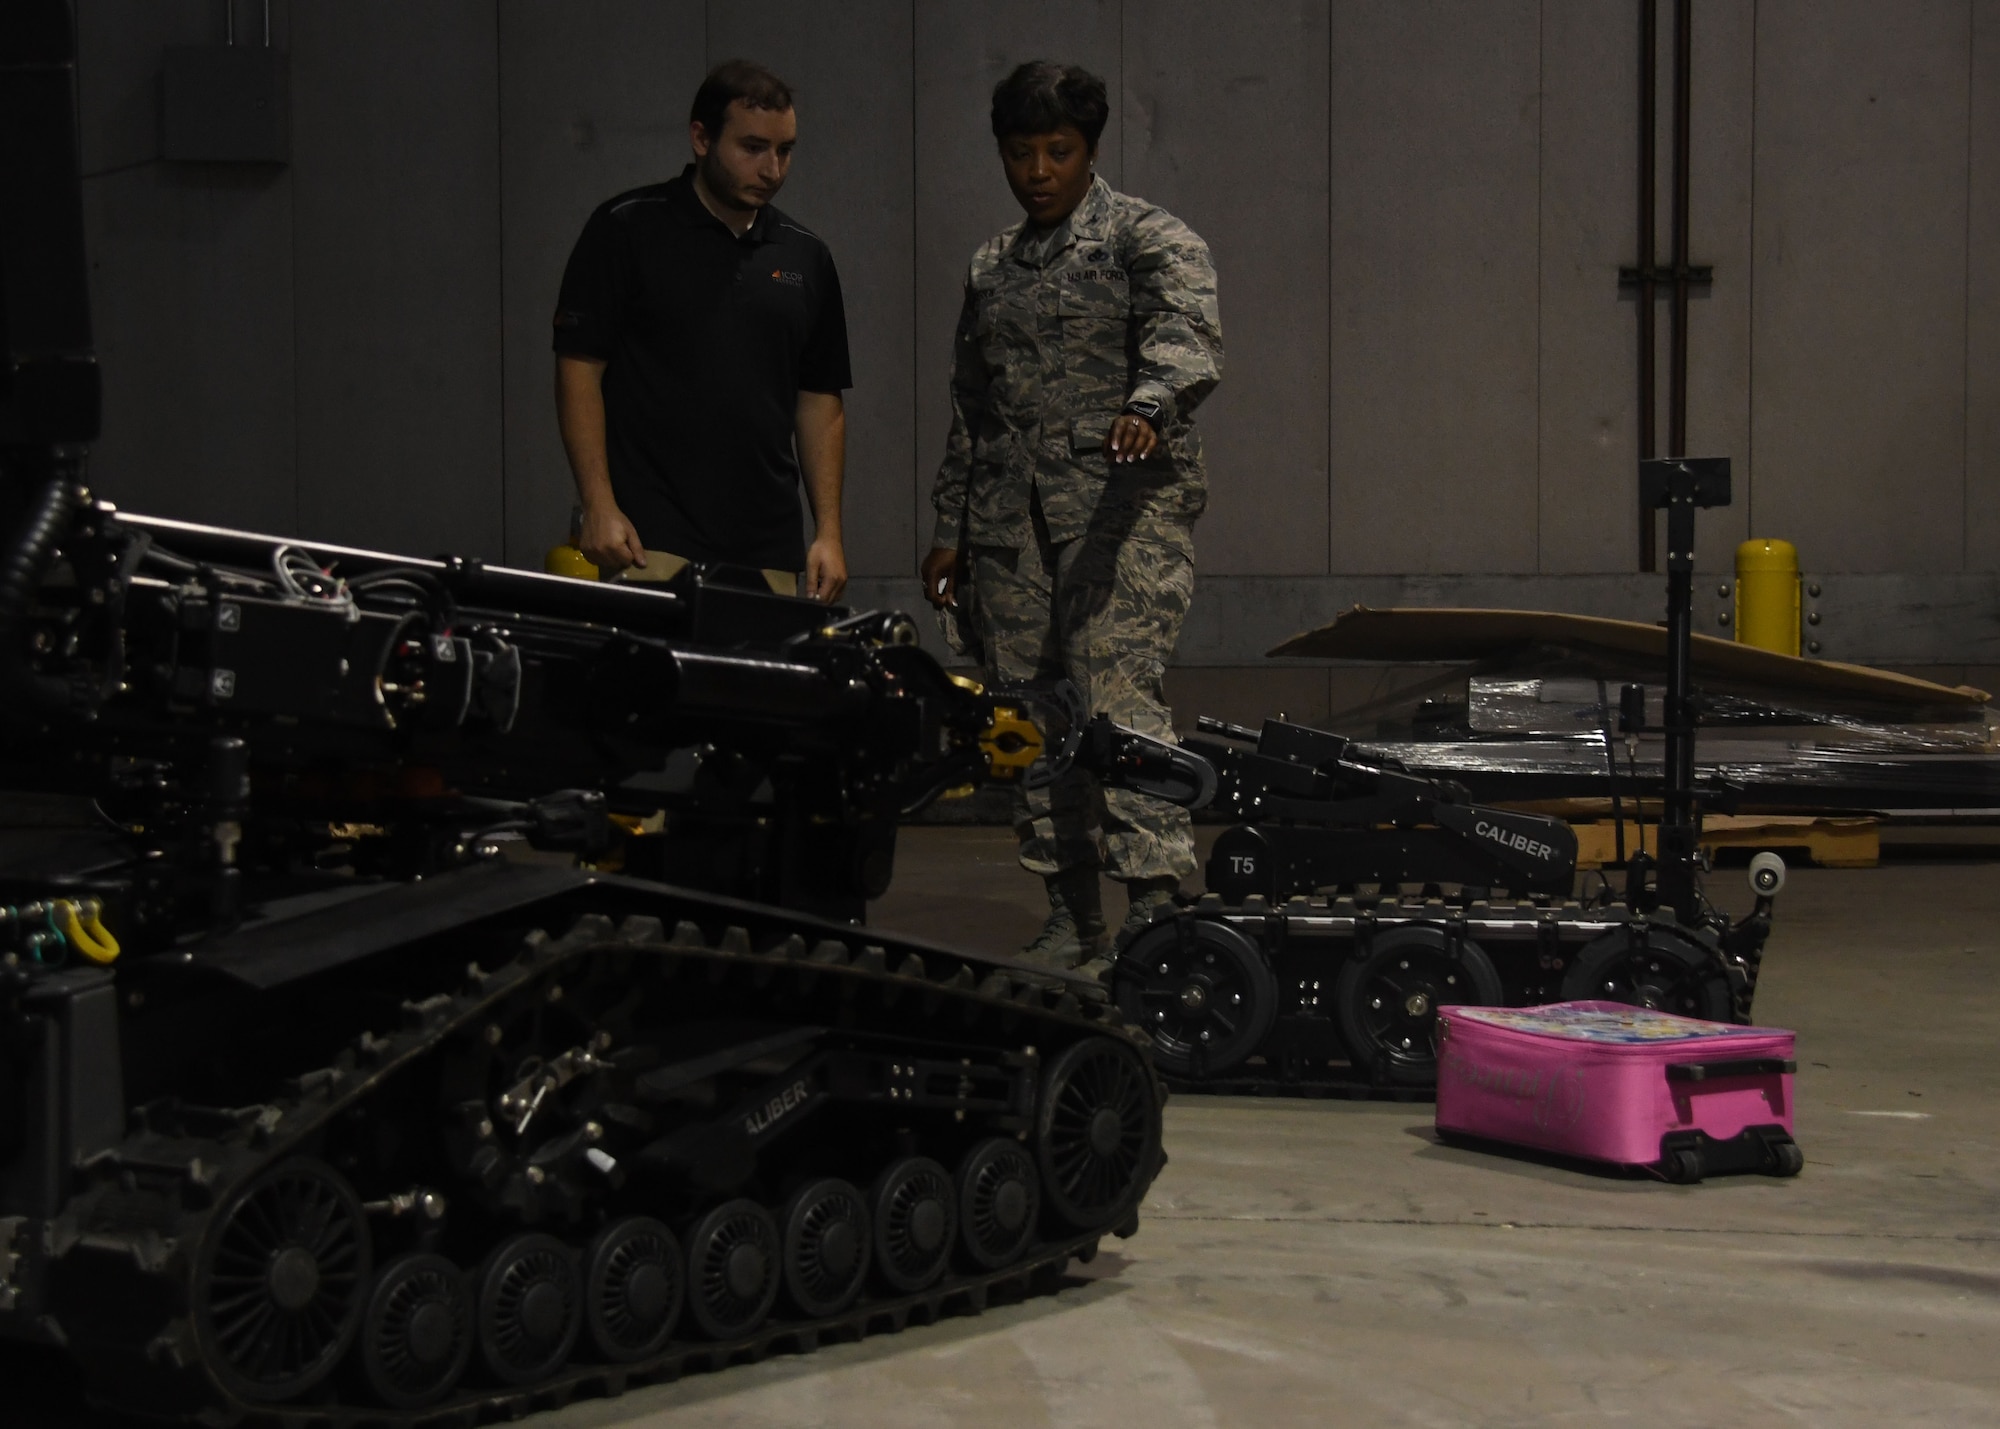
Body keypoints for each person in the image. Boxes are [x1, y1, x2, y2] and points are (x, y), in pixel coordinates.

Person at [921, 61, 1222, 972]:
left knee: (1117, 707)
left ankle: (1159, 910)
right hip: (1011, 529)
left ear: (1090, 151)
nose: (1039, 171)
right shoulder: (991, 267)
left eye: (1058, 152)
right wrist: (952, 529)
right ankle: (1069, 913)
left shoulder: (1146, 238)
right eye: (1022, 154)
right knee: (1029, 720)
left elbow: (1186, 333)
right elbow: (972, 405)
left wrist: (1151, 402)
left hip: (1119, 521)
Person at [553, 60, 849, 600]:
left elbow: (820, 399)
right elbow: (578, 369)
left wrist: (828, 531)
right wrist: (598, 504)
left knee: (759, 687)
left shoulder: (806, 256)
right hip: (648, 541)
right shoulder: (626, 228)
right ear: (700, 138)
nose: (772, 169)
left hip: (769, 551)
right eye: (753, 147)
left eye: (785, 151)